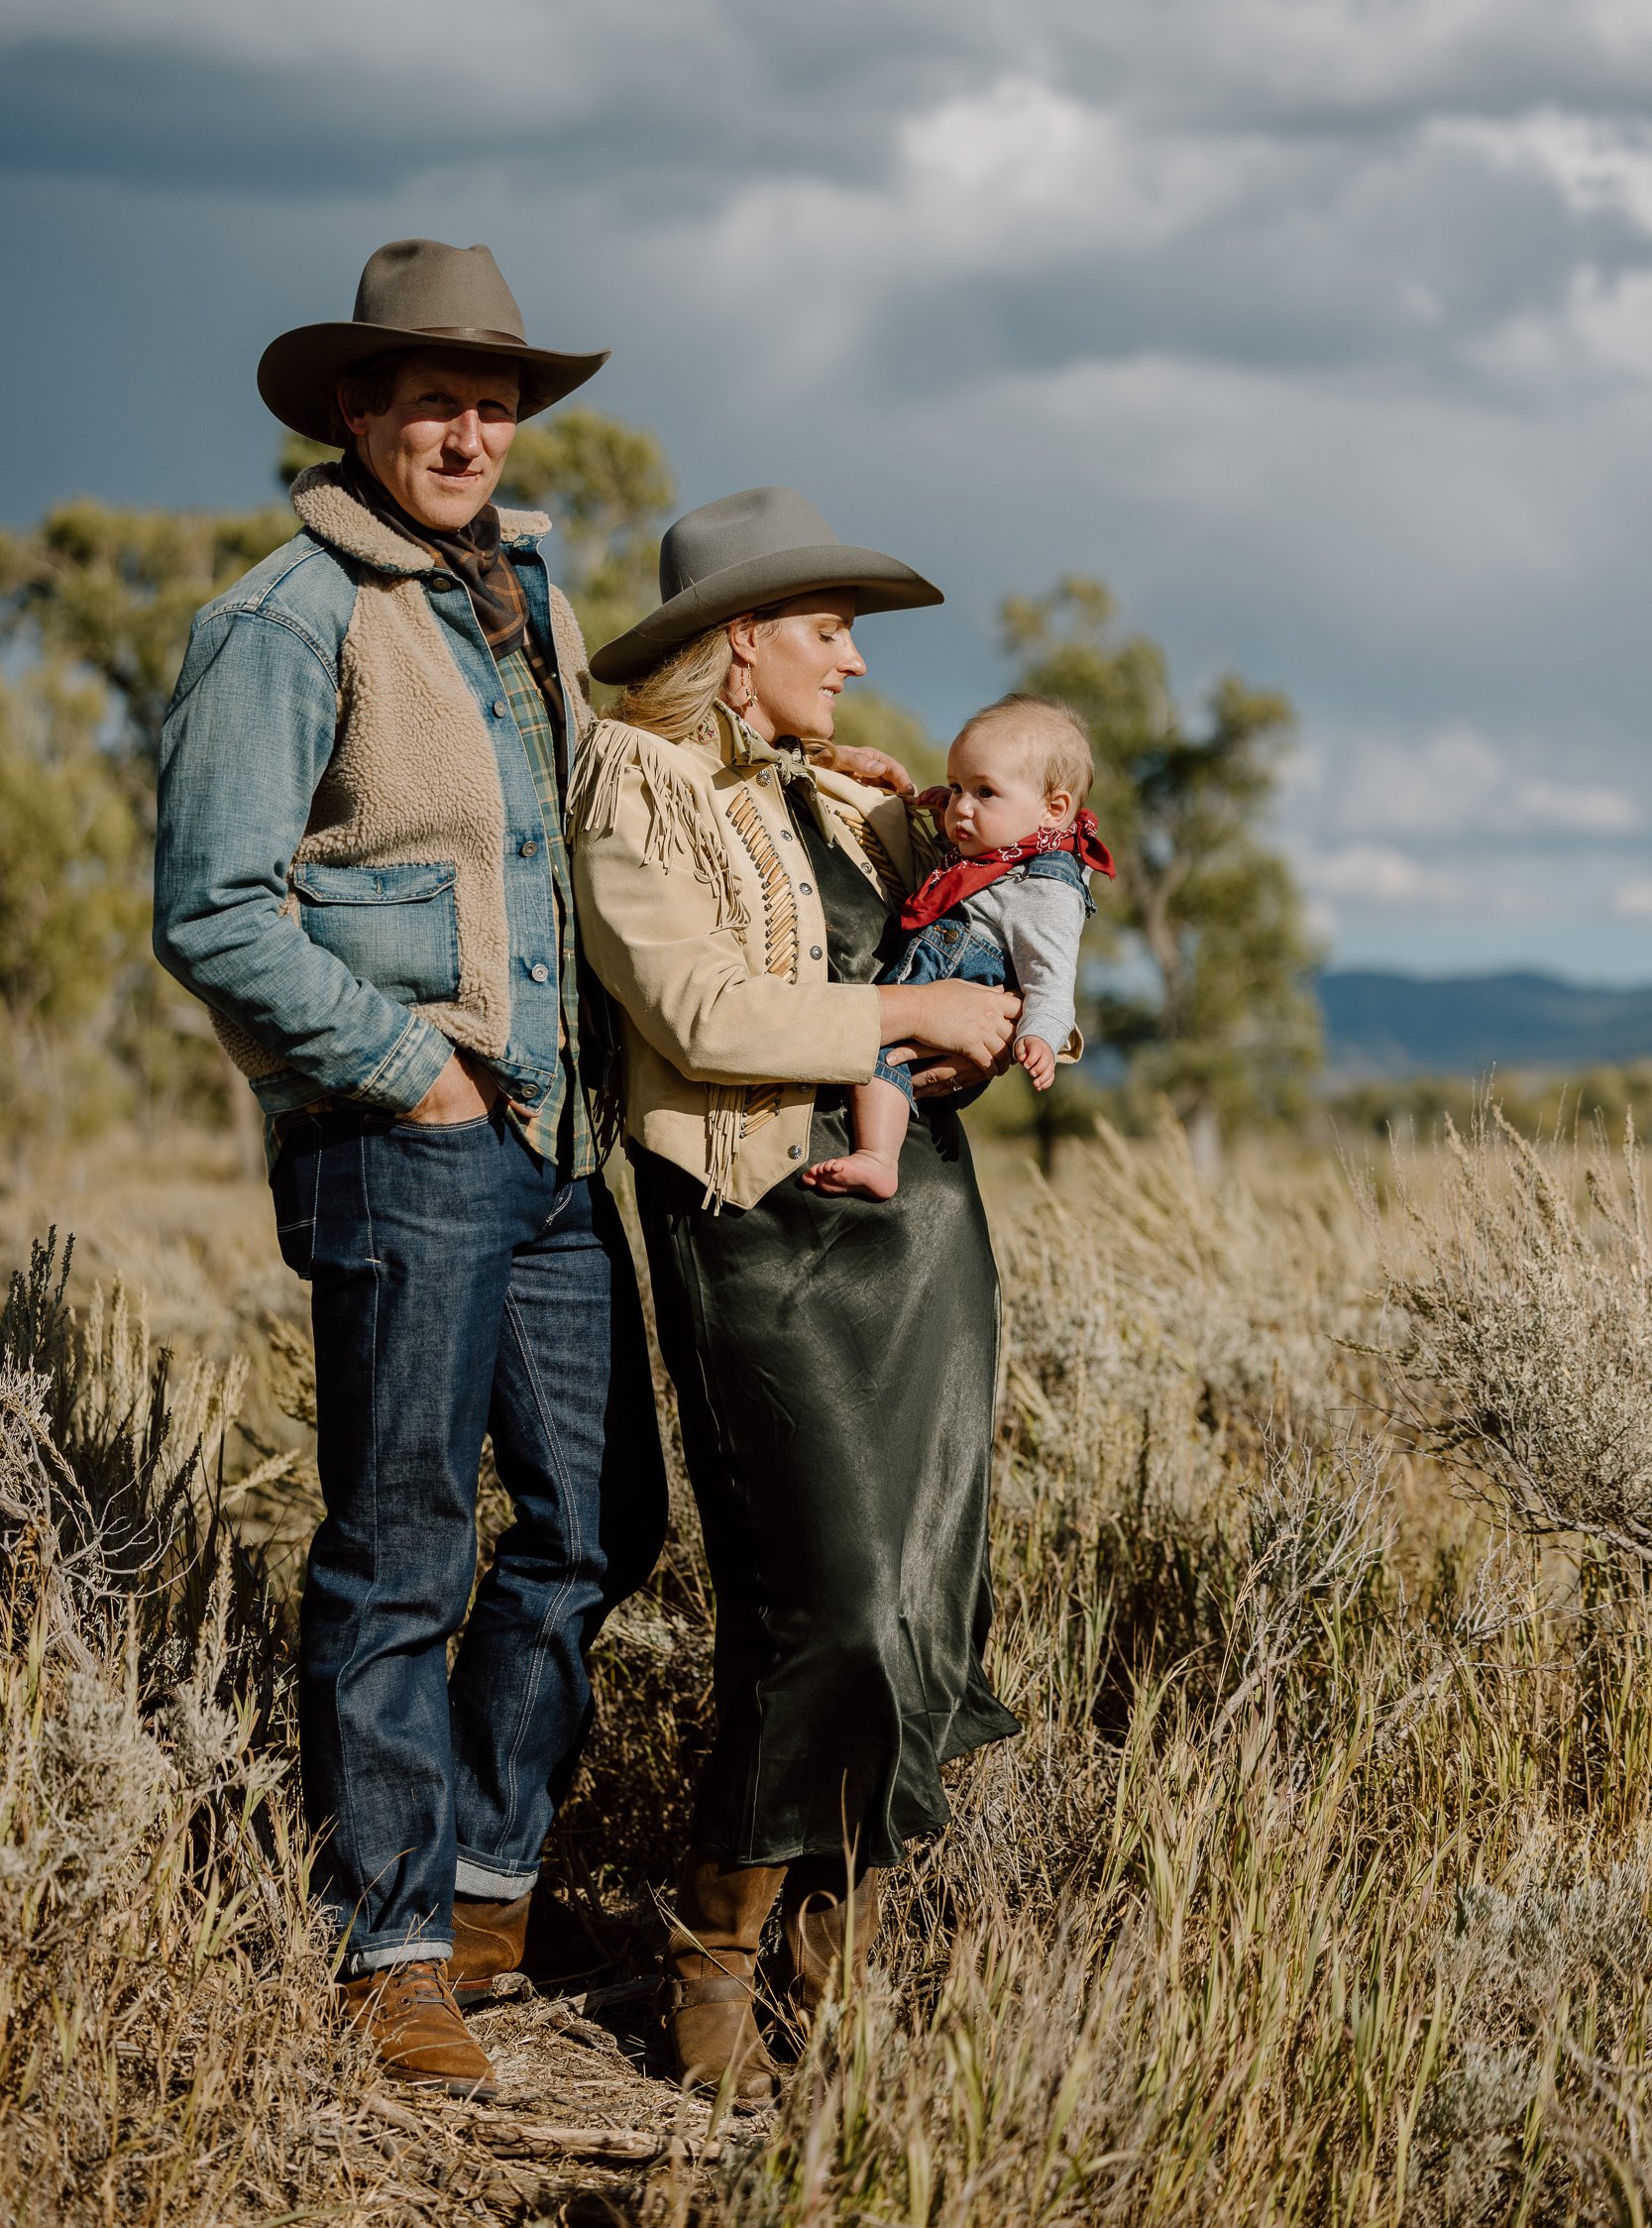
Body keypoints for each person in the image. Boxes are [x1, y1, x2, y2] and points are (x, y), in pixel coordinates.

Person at [151, 238, 667, 2099]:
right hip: (408, 1142)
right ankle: (390, 1950)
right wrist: (406, 1073)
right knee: (396, 1555)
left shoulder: (528, 597)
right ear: (355, 413)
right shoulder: (289, 616)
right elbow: (213, 912)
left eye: (492, 397)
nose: (467, 427)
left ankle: (482, 1875)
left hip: (554, 1147)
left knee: (602, 1527)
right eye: (428, 397)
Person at [568, 485, 1025, 2108]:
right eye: (823, 629)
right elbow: (695, 1010)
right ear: (734, 639)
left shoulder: (826, 797)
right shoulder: (636, 783)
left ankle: (825, 1975)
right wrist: (917, 1008)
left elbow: (955, 917)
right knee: (819, 1599)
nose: (847, 660)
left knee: (916, 1607)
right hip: (754, 1226)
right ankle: (713, 1944)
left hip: (917, 1241)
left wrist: (960, 849)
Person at [803, 694, 1112, 1200]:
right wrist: (946, 804)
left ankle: (877, 1158)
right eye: (955, 787)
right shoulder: (1003, 849)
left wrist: (1039, 1038)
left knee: (876, 1054)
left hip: (959, 985)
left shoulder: (1048, 890)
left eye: (984, 791)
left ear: (1054, 810)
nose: (961, 807)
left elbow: (1051, 980)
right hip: (944, 976)